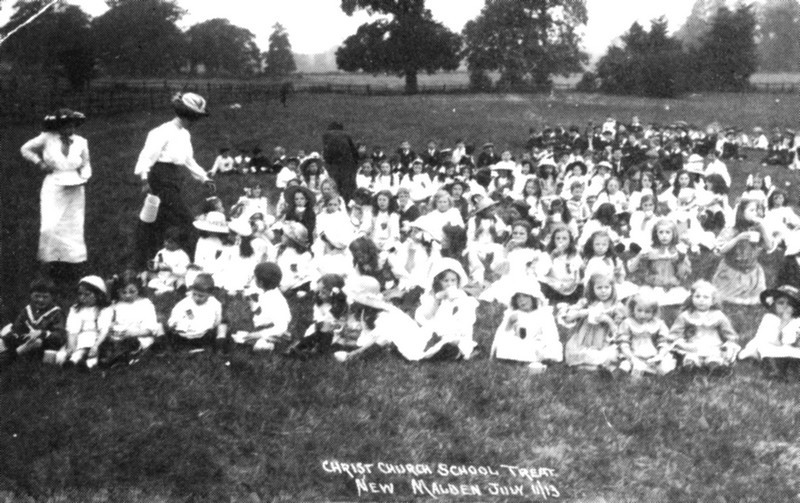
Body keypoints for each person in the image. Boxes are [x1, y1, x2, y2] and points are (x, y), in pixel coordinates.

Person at [133, 92, 215, 270]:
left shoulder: (184, 134)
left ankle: (152, 261)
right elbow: (147, 156)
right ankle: (195, 261)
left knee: (157, 220)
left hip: (174, 178)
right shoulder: (161, 131)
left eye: (195, 118)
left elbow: (188, 160)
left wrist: (204, 178)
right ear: (183, 114)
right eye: (191, 117)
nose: (193, 122)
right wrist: (144, 179)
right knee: (185, 220)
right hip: (160, 178)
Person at [20, 108, 91, 285]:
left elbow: (86, 163)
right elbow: (25, 149)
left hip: (75, 187)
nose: (71, 129)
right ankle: (48, 265)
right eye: (66, 126)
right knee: (50, 227)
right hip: (54, 186)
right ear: (58, 126)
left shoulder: (81, 141)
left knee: (72, 227)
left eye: (73, 125)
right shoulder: (46, 138)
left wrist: (85, 177)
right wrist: (40, 163)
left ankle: (72, 266)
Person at [92, 271, 162, 368]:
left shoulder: (145, 304)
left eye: (132, 291)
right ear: (117, 291)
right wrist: (109, 327)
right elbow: (105, 321)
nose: (127, 295)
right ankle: (111, 358)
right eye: (123, 292)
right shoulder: (115, 306)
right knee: (109, 343)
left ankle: (120, 358)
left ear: (138, 289)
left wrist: (131, 333)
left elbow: (150, 329)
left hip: (137, 336)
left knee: (131, 343)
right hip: (118, 338)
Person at [667, 280, 740, 372]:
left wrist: (729, 342)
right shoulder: (686, 315)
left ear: (713, 301)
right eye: (697, 296)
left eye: (706, 297)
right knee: (691, 356)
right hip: (693, 344)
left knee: (714, 356)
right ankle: (691, 365)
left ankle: (714, 366)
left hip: (713, 344)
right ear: (691, 298)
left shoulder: (718, 315)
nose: (701, 300)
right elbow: (675, 332)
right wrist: (678, 341)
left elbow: (728, 332)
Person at [414, 258, 479, 360]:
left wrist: (458, 304)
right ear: (438, 281)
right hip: (437, 325)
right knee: (428, 336)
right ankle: (443, 349)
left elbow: (466, 314)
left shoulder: (460, 294)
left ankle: (456, 350)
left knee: (460, 339)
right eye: (446, 281)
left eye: (453, 280)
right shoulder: (432, 296)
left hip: (456, 326)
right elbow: (427, 316)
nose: (450, 284)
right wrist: (437, 300)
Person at [561, 273, 627, 372]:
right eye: (599, 288)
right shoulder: (586, 302)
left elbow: (619, 329)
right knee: (575, 352)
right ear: (592, 289)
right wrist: (580, 313)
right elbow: (567, 318)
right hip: (583, 339)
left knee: (610, 355)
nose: (603, 291)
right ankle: (588, 367)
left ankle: (593, 367)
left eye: (607, 287)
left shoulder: (616, 306)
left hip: (604, 341)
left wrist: (608, 320)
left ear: (612, 288)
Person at [491, 283, 562, 372]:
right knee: (505, 345)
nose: (522, 300)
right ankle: (521, 362)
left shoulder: (544, 314)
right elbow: (501, 335)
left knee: (549, 349)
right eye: (518, 298)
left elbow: (551, 335)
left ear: (533, 298)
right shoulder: (514, 314)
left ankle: (534, 362)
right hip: (520, 344)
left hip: (538, 344)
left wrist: (542, 345)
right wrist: (509, 324)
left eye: (525, 296)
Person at [0, 277, 66, 367]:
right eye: (37, 296)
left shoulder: (56, 313)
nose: (40, 300)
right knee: (5, 337)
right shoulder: (28, 309)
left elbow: (60, 336)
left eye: (45, 297)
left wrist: (41, 333)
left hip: (44, 344)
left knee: (35, 343)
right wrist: (20, 334)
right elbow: (17, 326)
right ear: (31, 295)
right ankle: (7, 355)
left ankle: (7, 359)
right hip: (24, 340)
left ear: (52, 297)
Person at [739, 285, 800, 380]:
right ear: (774, 304)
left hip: (790, 349)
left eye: (789, 304)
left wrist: (787, 322)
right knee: (763, 346)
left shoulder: (796, 321)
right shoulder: (769, 318)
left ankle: (792, 369)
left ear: (795, 308)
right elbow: (768, 339)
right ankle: (776, 371)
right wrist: (781, 325)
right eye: (781, 303)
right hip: (771, 348)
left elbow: (790, 340)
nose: (785, 306)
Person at [615, 289, 676, 377]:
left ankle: (651, 370)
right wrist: (632, 358)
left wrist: (660, 355)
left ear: (653, 312)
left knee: (665, 367)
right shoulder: (628, 323)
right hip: (634, 354)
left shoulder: (658, 323)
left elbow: (664, 341)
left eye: (647, 312)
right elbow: (623, 342)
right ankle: (634, 372)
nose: (642, 315)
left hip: (653, 354)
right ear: (633, 309)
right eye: (639, 310)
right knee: (626, 366)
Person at [233, 263, 291, 351]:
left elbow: (281, 326)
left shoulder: (275, 300)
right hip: (262, 326)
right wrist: (250, 302)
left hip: (272, 329)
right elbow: (261, 311)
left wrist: (259, 334)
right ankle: (265, 340)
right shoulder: (266, 293)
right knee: (240, 335)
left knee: (259, 345)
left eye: (255, 278)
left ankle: (273, 342)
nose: (253, 279)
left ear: (260, 283)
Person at [166, 273, 227, 351]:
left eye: (201, 296)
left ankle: (219, 348)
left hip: (204, 335)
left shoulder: (215, 304)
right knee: (171, 334)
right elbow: (173, 319)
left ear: (209, 294)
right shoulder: (184, 303)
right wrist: (174, 324)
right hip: (184, 336)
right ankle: (193, 348)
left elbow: (217, 321)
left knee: (223, 326)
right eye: (194, 294)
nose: (196, 298)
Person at [60, 275, 111, 368]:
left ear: (99, 295)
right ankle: (73, 361)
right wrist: (72, 346)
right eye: (80, 294)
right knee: (73, 351)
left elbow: (104, 330)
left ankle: (88, 364)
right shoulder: (76, 309)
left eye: (87, 294)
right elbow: (72, 330)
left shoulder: (104, 310)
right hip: (80, 337)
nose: (82, 298)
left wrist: (96, 345)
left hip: (98, 338)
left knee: (93, 349)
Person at [322, 121, 359, 202]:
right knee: (347, 187)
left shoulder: (326, 135)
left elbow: (326, 153)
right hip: (347, 165)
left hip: (334, 166)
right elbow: (354, 151)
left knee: (335, 185)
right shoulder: (346, 135)